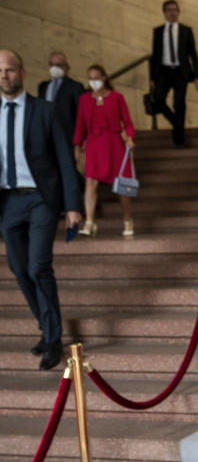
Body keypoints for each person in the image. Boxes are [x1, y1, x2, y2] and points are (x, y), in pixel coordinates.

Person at [0, 50, 83, 370]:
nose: (4, 76)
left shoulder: (46, 110)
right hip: (7, 202)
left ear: (22, 72)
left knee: (37, 267)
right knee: (20, 270)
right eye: (0, 71)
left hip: (41, 200)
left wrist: (72, 205)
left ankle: (52, 337)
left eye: (9, 70)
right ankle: (46, 326)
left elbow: (65, 159)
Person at [73, 64, 136, 237]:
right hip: (93, 145)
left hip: (114, 143)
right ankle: (90, 222)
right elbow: (80, 125)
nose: (93, 81)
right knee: (90, 183)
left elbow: (128, 122)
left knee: (122, 185)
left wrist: (130, 137)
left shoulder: (117, 97)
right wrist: (77, 146)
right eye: (90, 78)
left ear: (104, 78)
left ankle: (128, 219)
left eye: (96, 78)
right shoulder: (84, 99)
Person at [150, 0, 198, 148]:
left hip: (181, 72)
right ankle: (176, 123)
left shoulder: (186, 30)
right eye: (169, 10)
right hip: (163, 72)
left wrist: (197, 75)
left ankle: (178, 139)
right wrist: (152, 77)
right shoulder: (158, 31)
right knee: (158, 100)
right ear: (164, 13)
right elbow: (155, 55)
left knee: (179, 104)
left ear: (178, 12)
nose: (172, 13)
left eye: (175, 10)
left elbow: (193, 54)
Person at [37, 52, 86, 133]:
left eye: (58, 65)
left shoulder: (75, 86)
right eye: (52, 64)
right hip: (46, 133)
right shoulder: (43, 86)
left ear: (66, 67)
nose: (54, 68)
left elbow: (81, 115)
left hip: (67, 135)